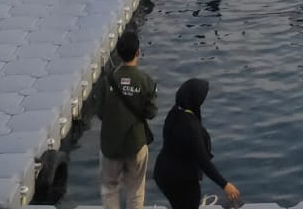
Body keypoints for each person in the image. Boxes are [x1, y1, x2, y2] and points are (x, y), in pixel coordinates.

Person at [90, 32, 157, 209]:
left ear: (118, 54)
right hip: (136, 143)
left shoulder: (107, 81)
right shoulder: (146, 82)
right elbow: (151, 113)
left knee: (109, 188)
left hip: (110, 144)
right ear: (138, 53)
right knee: (135, 190)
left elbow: (100, 113)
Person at [152, 79, 239, 209]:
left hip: (162, 173)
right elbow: (203, 160)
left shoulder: (175, 112)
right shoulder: (190, 127)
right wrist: (225, 185)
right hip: (181, 181)